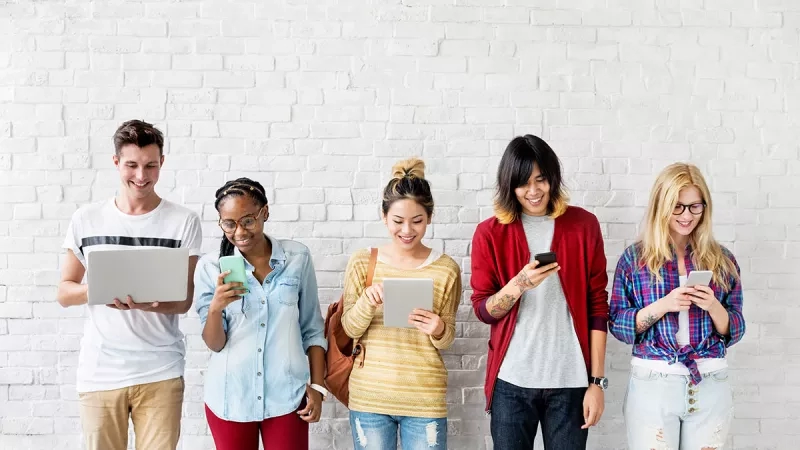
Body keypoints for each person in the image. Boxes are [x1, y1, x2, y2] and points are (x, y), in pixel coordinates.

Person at [56, 120, 202, 450]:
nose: (141, 176)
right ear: (116, 163)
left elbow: (184, 301)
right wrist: (98, 290)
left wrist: (150, 302)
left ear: (162, 163)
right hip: (100, 373)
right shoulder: (86, 219)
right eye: (132, 165)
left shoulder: (183, 222)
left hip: (160, 371)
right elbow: (65, 291)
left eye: (151, 166)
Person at [470, 134, 610, 450]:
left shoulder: (583, 225)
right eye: (523, 183)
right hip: (512, 382)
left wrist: (597, 383)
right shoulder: (489, 233)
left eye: (541, 179)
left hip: (571, 382)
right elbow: (482, 310)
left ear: (552, 178)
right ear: (510, 186)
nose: (533, 191)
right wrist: (519, 283)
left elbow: (598, 307)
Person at [609, 162, 745, 449]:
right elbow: (619, 326)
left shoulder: (723, 260)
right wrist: (664, 305)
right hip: (653, 384)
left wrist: (712, 306)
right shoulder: (635, 259)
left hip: (710, 382)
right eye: (678, 206)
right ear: (662, 205)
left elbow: (735, 329)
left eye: (695, 207)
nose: (687, 215)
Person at [193, 177, 327, 450]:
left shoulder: (297, 257)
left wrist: (318, 386)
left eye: (248, 220)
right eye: (229, 223)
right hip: (231, 397)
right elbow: (215, 343)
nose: (239, 231)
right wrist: (216, 307)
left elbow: (312, 328)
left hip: (287, 396)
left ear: (264, 212)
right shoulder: (210, 267)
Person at [341, 158, 462, 450]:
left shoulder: (446, 269)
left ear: (429, 218)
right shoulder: (362, 262)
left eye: (417, 221)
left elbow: (446, 340)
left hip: (424, 397)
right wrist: (366, 304)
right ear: (384, 217)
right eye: (397, 221)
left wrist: (438, 328)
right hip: (370, 395)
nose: (407, 230)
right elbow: (348, 327)